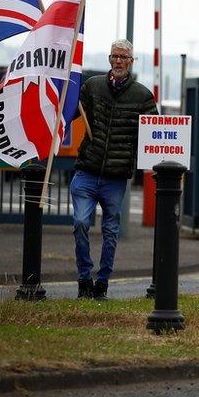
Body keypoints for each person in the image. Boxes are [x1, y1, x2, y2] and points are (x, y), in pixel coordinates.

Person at [72, 40, 157, 300]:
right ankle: (84, 278)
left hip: (116, 177)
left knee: (110, 232)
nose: (119, 61)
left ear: (132, 62)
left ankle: (102, 282)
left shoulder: (142, 96)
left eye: (124, 57)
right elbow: (70, 112)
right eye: (115, 56)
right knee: (80, 223)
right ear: (110, 59)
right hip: (87, 170)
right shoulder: (92, 86)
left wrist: (157, 161)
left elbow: (154, 134)